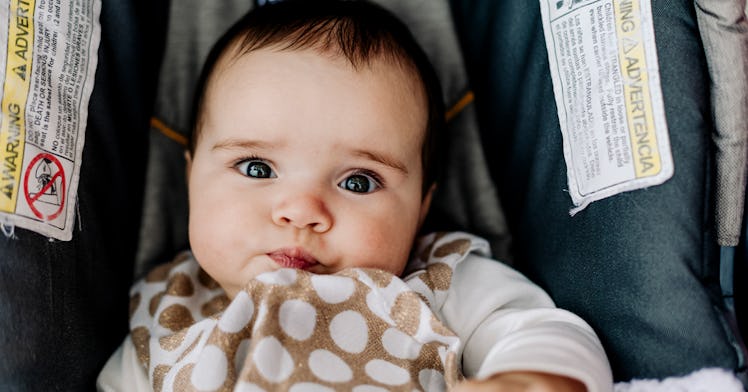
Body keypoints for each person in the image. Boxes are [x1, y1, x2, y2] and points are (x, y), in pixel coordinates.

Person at [97, 1, 613, 390]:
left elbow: (543, 330)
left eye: (358, 182)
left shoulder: (435, 282)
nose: (301, 210)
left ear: (421, 207)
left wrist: (525, 379)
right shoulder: (167, 307)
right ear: (191, 179)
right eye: (256, 167)